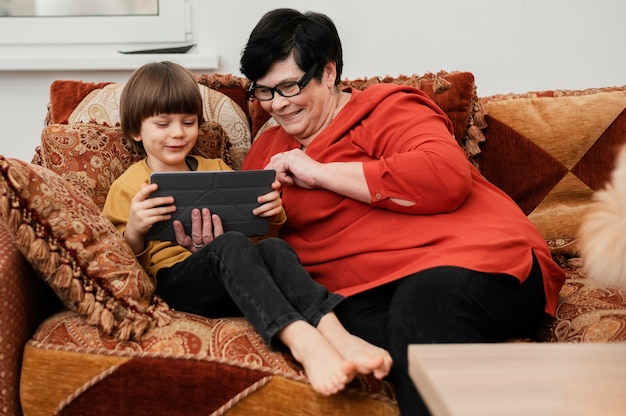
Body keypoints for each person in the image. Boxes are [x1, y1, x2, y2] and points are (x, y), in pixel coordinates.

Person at [239, 8, 567, 415]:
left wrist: (321, 173)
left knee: (423, 306)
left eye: (289, 87)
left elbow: (444, 176)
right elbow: (259, 251)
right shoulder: (264, 154)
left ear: (328, 72)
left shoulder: (386, 109)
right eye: (263, 91)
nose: (277, 105)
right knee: (350, 326)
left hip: (480, 263)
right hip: (361, 292)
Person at [102, 61, 392, 396]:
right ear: (137, 130)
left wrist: (270, 215)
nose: (178, 133)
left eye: (188, 122)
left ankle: (339, 336)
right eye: (163, 124)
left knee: (274, 248)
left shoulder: (218, 170)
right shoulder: (128, 187)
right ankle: (302, 341)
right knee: (231, 245)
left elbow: (256, 239)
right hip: (176, 286)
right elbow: (115, 267)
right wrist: (136, 230)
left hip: (234, 283)